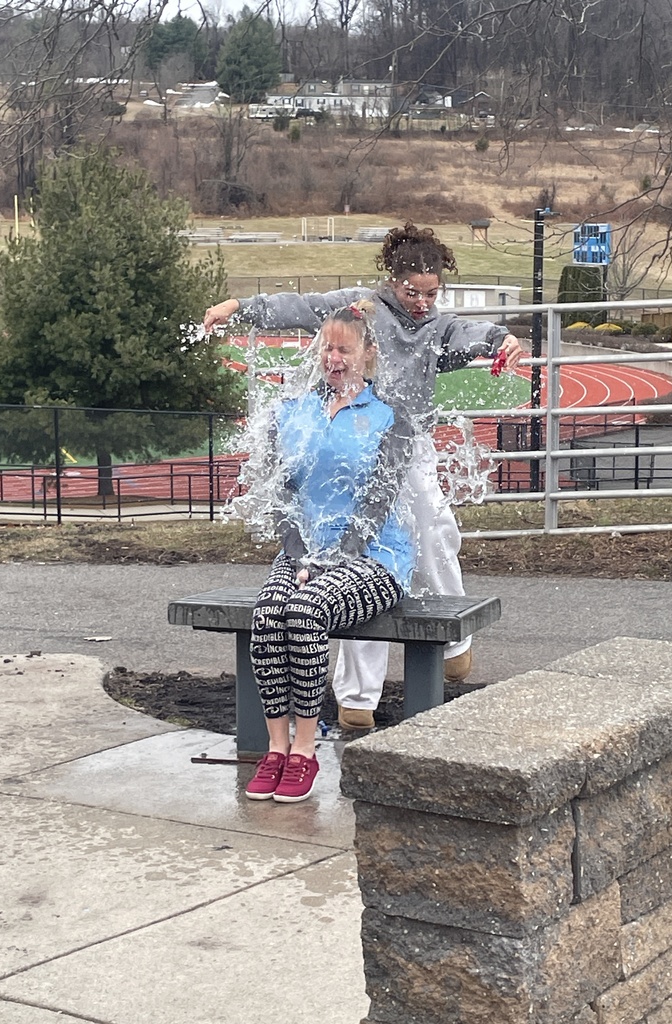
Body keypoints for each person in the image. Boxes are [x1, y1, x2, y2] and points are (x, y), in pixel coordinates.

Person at [204, 222, 525, 730]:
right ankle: (356, 697)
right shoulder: (363, 309)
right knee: (350, 548)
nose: (421, 302)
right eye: (411, 292)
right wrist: (240, 307)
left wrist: (501, 338)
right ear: (391, 280)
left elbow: (467, 332)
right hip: (353, 438)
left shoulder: (436, 326)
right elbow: (303, 307)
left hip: (404, 443)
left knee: (432, 529)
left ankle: (457, 638)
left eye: (431, 293)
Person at [244, 303, 414, 802]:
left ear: (368, 353)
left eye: (345, 348)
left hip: (372, 558)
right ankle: (276, 748)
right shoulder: (290, 413)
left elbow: (376, 505)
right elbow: (280, 496)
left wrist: (329, 562)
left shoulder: (390, 419)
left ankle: (305, 747)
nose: (333, 358)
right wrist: (299, 557)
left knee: (304, 611)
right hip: (303, 555)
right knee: (270, 613)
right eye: (327, 348)